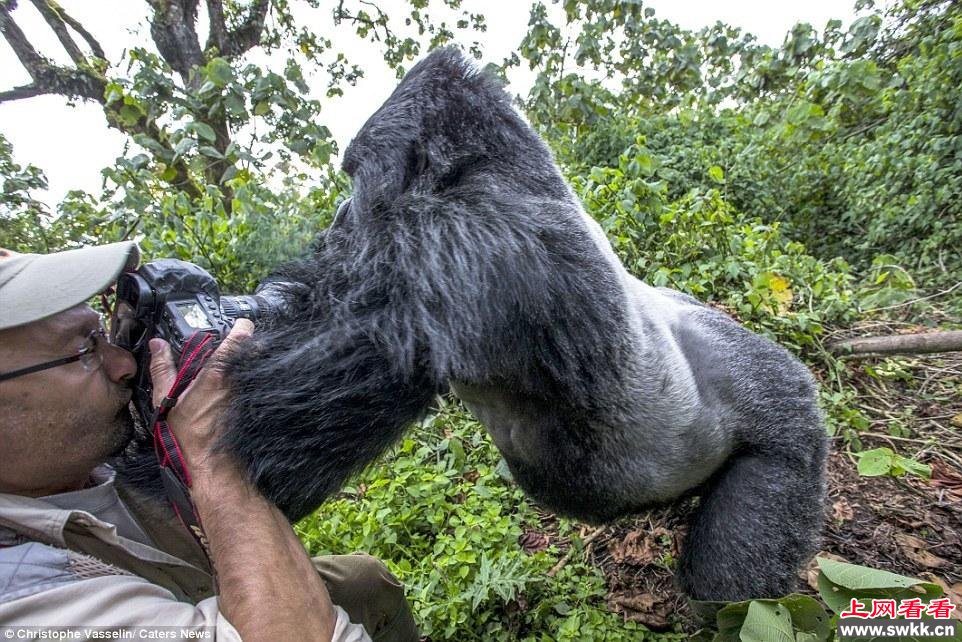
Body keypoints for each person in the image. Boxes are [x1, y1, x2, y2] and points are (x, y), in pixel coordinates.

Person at [0, 241, 419, 641]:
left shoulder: (71, 458)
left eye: (104, 332)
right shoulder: (22, 599)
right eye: (84, 349)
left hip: (185, 581)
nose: (124, 363)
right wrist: (210, 455)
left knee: (366, 583)